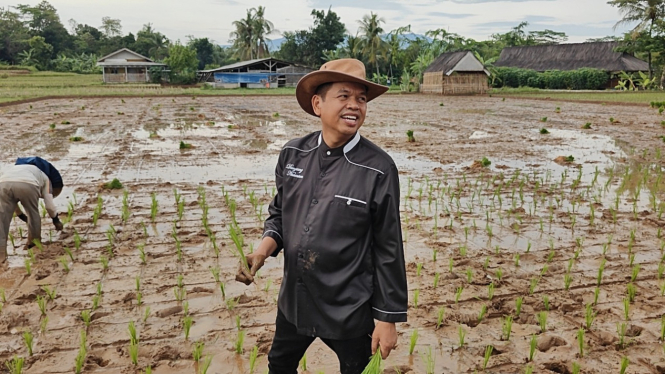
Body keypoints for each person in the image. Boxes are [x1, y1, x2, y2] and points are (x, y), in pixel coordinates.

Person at [236, 59, 407, 374]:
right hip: (295, 301)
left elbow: (388, 247)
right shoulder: (293, 155)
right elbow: (280, 215)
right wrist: (263, 250)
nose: (354, 106)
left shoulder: (377, 168)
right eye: (344, 96)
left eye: (361, 99)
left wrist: (387, 318)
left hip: (348, 307)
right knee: (279, 365)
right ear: (318, 104)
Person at [0, 157, 64, 263]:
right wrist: (55, 220)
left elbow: (13, 202)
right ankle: (33, 244)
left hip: (3, 183)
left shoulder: (17, 168)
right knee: (33, 213)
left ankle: (1, 255)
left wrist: (21, 216)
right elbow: (49, 205)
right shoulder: (46, 178)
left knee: (2, 219)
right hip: (28, 184)